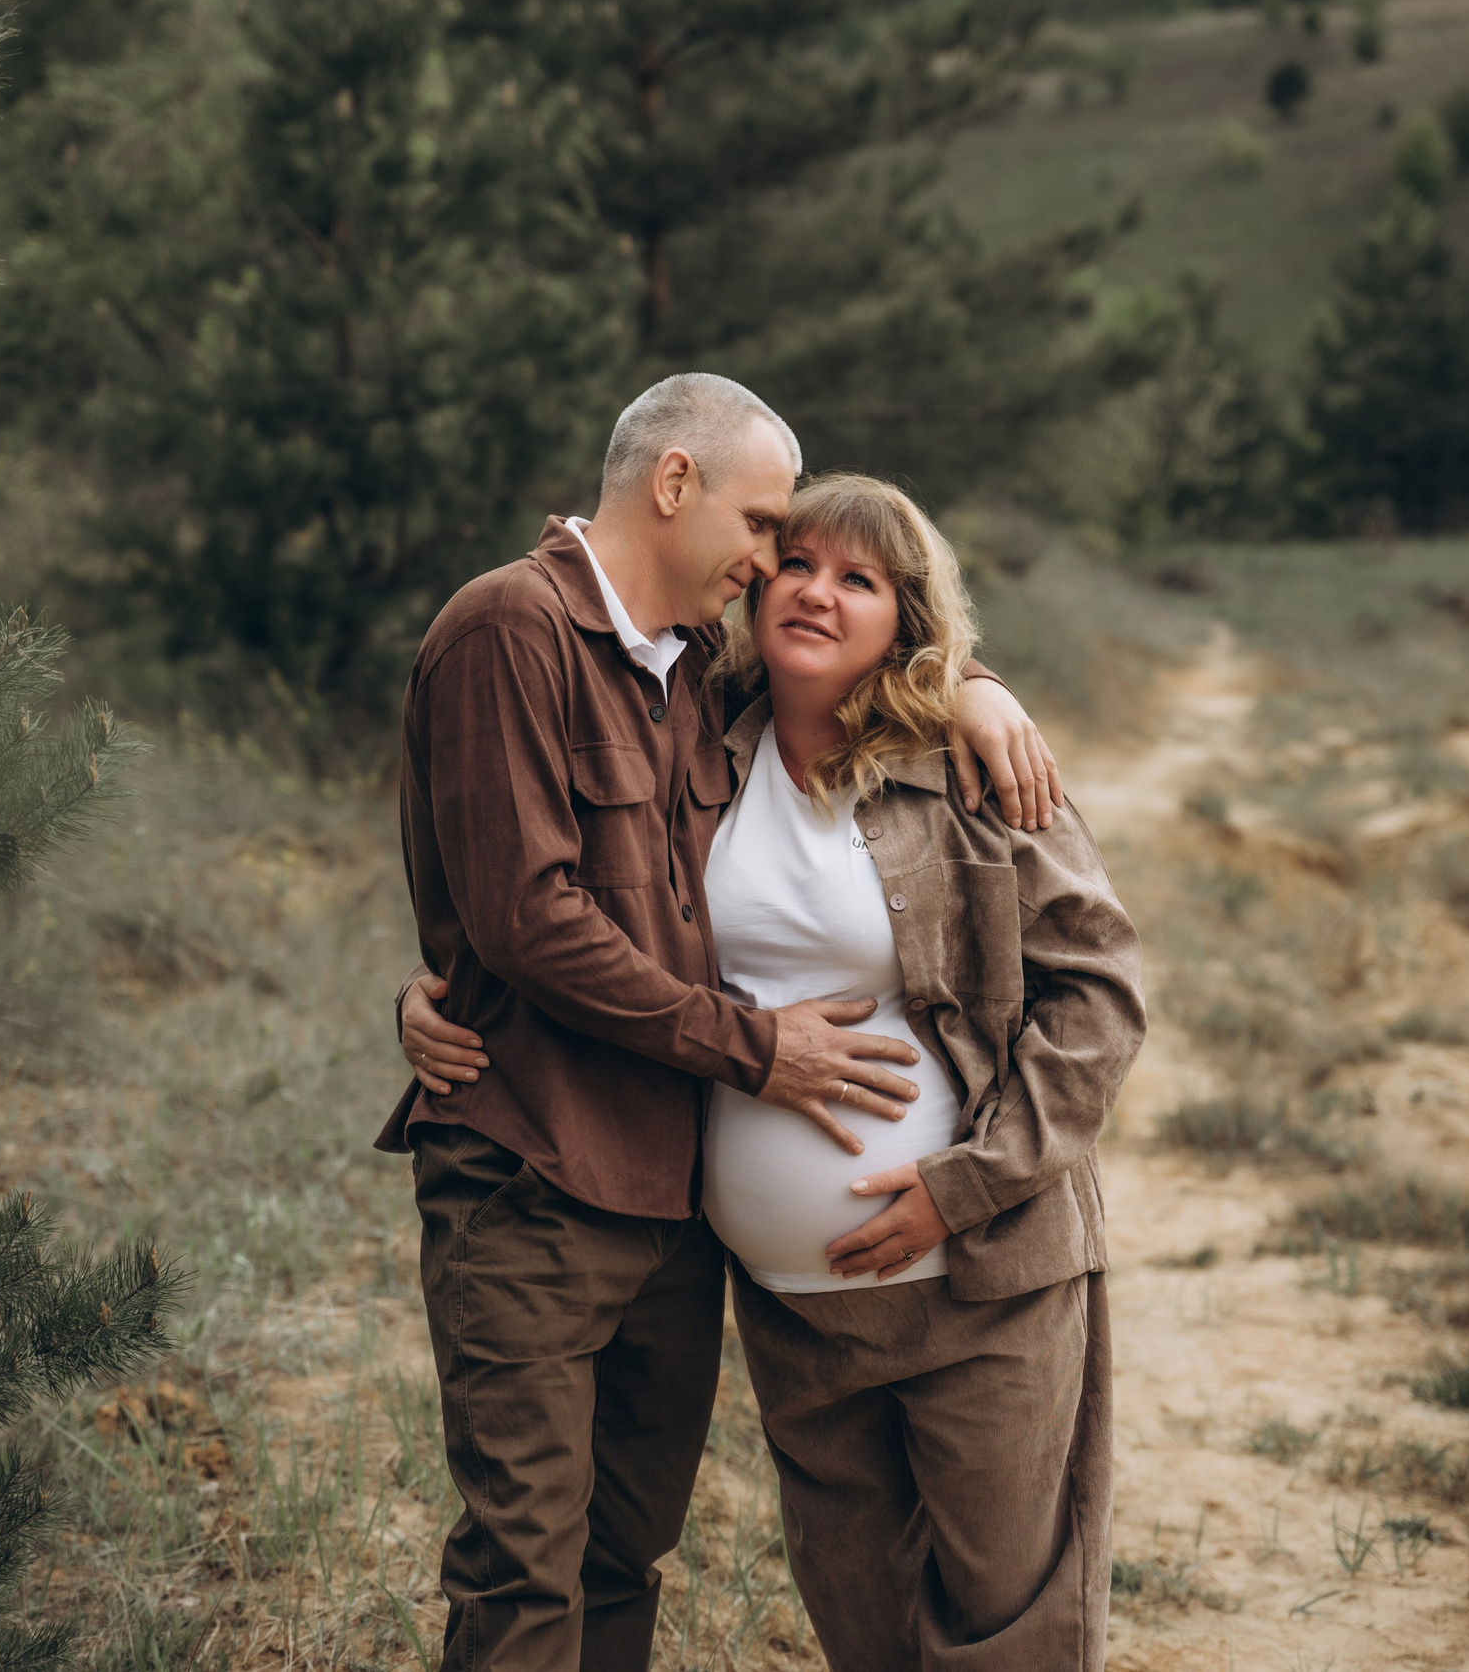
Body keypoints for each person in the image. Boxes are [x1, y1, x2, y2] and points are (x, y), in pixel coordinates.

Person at [379, 374, 1069, 1672]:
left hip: (674, 1218)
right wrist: (760, 1050)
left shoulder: (697, 676)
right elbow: (525, 916)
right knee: (525, 1572)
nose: (770, 566)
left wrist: (972, 684)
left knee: (619, 1558)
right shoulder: (506, 630)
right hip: (533, 1178)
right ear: (673, 484)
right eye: (764, 529)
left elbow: (864, 633)